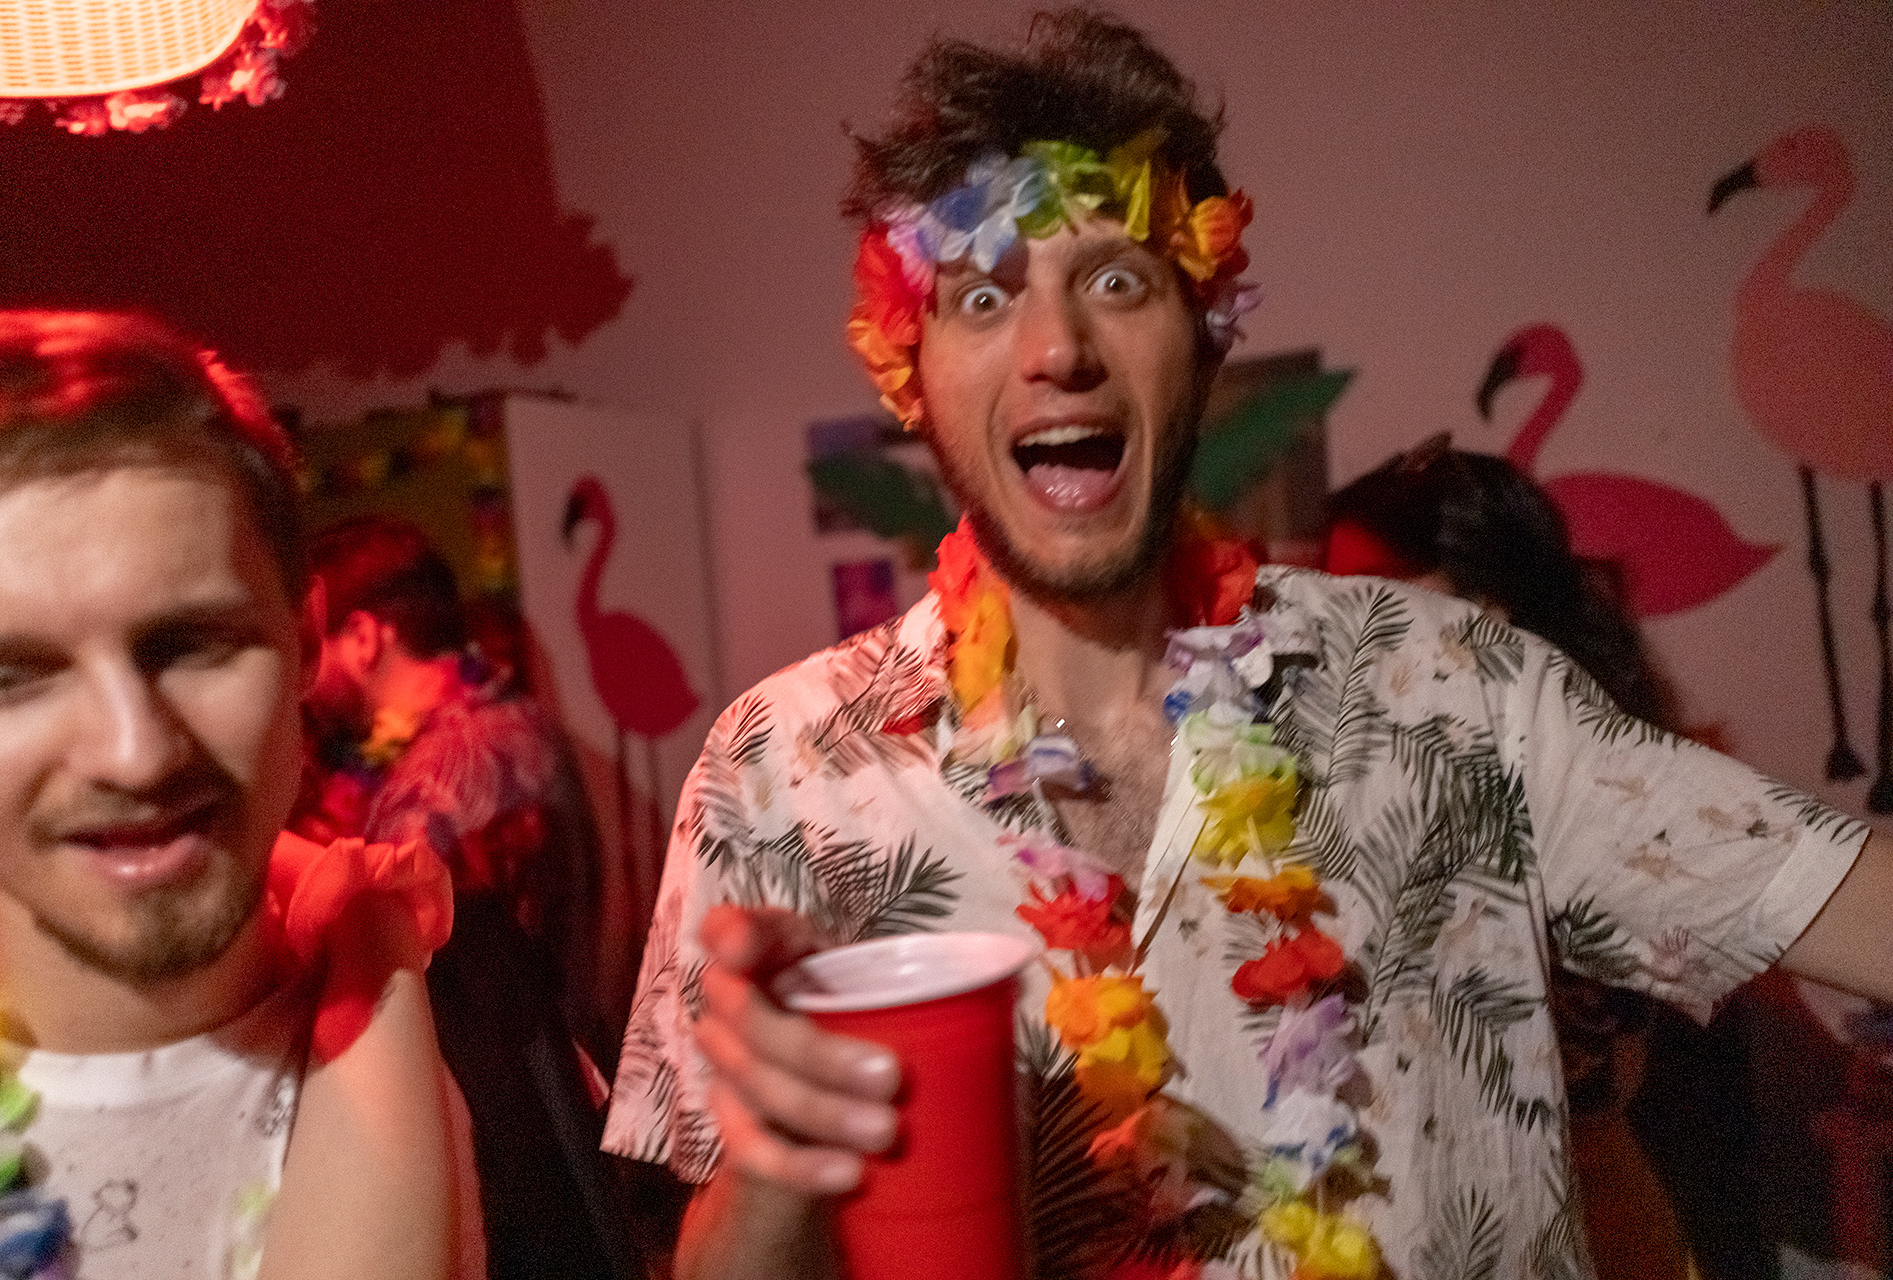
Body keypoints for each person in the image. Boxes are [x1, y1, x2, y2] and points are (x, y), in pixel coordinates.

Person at [604, 12, 1889, 1279]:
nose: (1059, 349)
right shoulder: (784, 774)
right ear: (912, 370)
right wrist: (777, 1157)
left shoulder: (1451, 688)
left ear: (1205, 332)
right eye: (984, 294)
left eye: (1118, 279)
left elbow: (1845, 900)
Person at [0, 310, 483, 1279]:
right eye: (11, 677)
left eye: (193, 645)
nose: (134, 754)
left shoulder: (497, 1056)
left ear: (309, 642)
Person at [1323, 438, 1764, 1280]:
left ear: (1490, 619)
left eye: (1373, 598)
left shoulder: (1606, 806)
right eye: (1327, 599)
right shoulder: (1352, 797)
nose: (1337, 635)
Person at [297, 514, 640, 1279]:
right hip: (575, 1100)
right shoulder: (519, 723)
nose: (304, 681)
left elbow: (415, 997)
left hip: (520, 1130)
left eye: (312, 648)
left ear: (365, 637)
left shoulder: (431, 785)